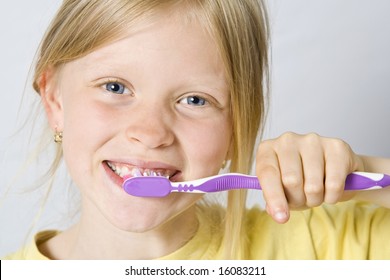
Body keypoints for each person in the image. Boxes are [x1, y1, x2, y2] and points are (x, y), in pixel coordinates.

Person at [3, 0, 390, 260]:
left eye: (194, 100)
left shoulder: (320, 249)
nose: (151, 132)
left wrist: (363, 174)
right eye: (115, 88)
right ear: (55, 100)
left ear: (237, 127)